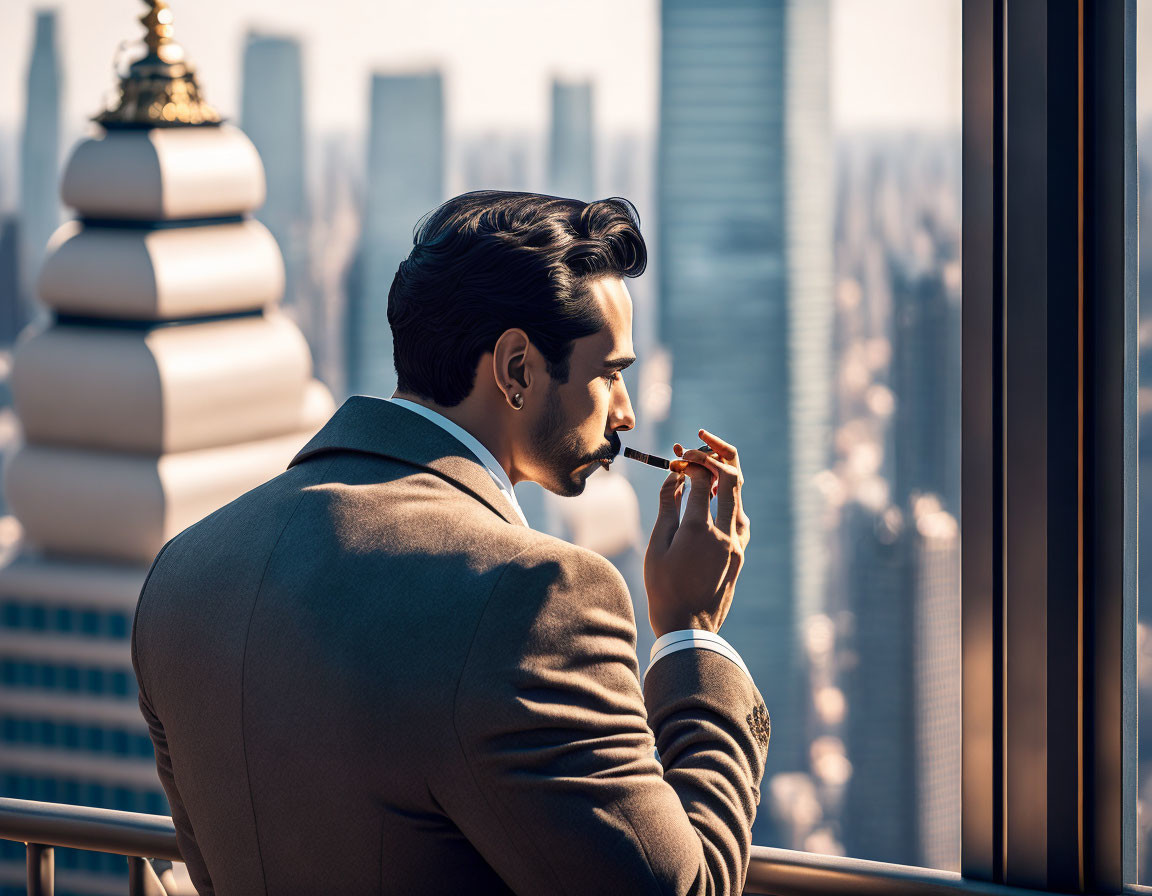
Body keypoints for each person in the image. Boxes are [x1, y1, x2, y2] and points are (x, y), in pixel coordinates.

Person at [132, 191, 768, 895]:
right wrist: (690, 633)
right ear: (518, 367)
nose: (626, 411)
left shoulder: (182, 574)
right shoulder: (537, 597)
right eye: (610, 374)